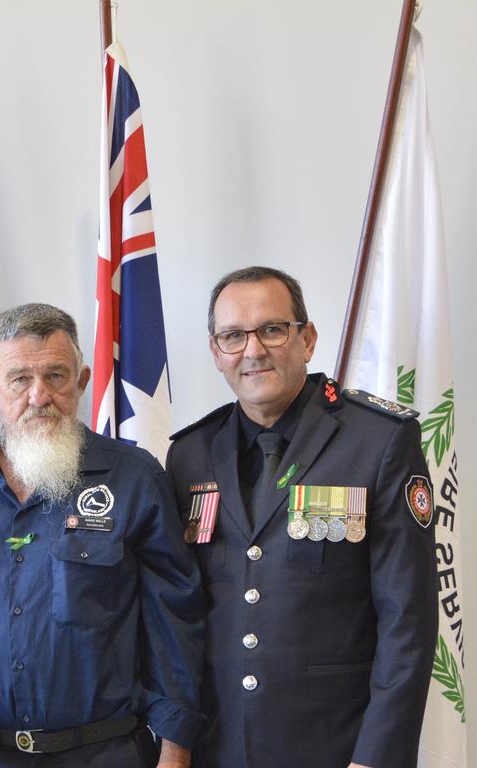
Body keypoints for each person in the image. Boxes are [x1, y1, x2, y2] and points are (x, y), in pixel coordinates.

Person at [0, 303, 203, 768]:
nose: (39, 396)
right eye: (19, 379)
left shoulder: (134, 478)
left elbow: (174, 622)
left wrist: (177, 750)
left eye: (56, 376)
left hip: (105, 753)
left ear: (81, 382)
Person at [166, 267, 438, 768]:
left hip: (335, 748)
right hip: (217, 748)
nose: (253, 351)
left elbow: (408, 622)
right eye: (233, 336)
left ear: (307, 339)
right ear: (215, 351)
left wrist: (375, 758)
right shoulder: (189, 455)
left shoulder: (377, 441)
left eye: (272, 329)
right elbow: (179, 616)